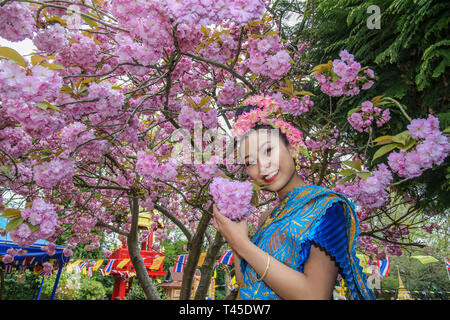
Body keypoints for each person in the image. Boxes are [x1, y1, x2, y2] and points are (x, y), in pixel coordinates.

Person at [212, 94, 375, 300]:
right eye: (250, 162)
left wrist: (241, 243)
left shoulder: (327, 207)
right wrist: (234, 240)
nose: (263, 167)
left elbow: (315, 296)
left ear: (291, 147)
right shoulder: (267, 217)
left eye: (268, 150)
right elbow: (249, 287)